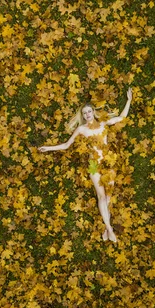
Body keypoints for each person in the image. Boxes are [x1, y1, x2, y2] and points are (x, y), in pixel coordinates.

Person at [39, 88, 133, 242]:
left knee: (107, 197)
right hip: (93, 165)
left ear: (93, 112)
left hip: (108, 162)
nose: (87, 115)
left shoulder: (103, 123)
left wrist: (129, 100)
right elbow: (66, 145)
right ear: (82, 116)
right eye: (85, 113)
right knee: (102, 196)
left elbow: (121, 118)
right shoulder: (81, 129)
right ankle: (109, 229)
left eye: (89, 112)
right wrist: (48, 148)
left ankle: (105, 229)